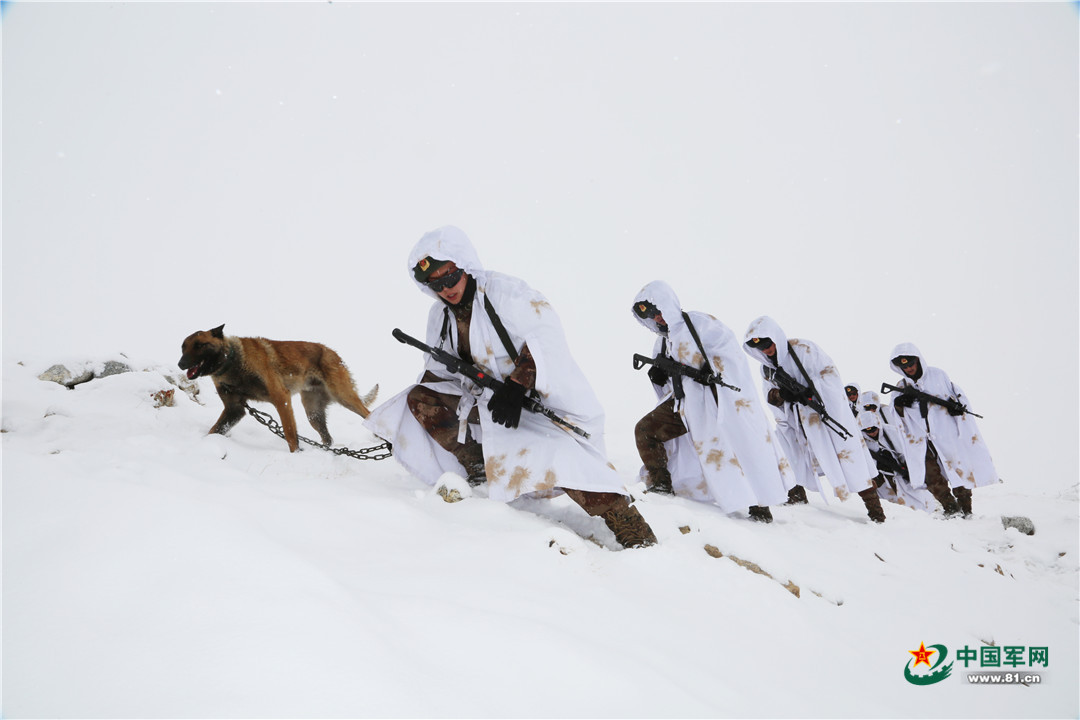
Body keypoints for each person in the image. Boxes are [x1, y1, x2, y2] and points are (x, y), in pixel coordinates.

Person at [363, 226, 657, 548]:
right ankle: (478, 467)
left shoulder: (508, 294)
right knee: (420, 397)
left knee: (562, 460)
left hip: (541, 407)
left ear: (465, 266)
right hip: (490, 406)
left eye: (449, 278)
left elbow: (546, 338)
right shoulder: (440, 316)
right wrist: (406, 423)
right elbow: (437, 371)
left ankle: (627, 523)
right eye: (434, 284)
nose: (445, 289)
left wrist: (518, 385)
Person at [630, 281, 793, 523]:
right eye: (653, 316)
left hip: (719, 403)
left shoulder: (700, 324)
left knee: (739, 447)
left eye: (659, 310)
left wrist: (712, 372)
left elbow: (731, 357)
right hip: (684, 406)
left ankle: (759, 505)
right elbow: (664, 376)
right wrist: (660, 375)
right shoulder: (663, 341)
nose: (659, 318)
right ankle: (662, 484)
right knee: (646, 430)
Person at [742, 316, 886, 523]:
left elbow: (830, 375)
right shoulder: (766, 368)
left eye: (768, 344)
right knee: (789, 455)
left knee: (851, 460)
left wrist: (811, 391)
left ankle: (876, 512)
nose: (766, 351)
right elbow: (770, 395)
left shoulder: (803, 349)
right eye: (761, 348)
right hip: (796, 420)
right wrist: (783, 396)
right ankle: (796, 497)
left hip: (826, 414)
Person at [887, 343, 999, 517]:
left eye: (910, 364)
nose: (908, 368)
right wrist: (900, 404)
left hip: (946, 433)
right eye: (904, 366)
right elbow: (895, 414)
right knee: (931, 476)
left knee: (956, 469)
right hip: (920, 438)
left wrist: (957, 408)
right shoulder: (900, 386)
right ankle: (951, 508)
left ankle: (966, 509)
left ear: (918, 361)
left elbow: (957, 397)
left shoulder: (937, 375)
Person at [856, 411, 937, 513]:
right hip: (878, 472)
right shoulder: (861, 441)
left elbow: (908, 452)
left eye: (874, 429)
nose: (872, 433)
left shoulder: (892, 432)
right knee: (883, 496)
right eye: (867, 431)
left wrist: (908, 470)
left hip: (900, 468)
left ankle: (923, 512)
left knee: (914, 493)